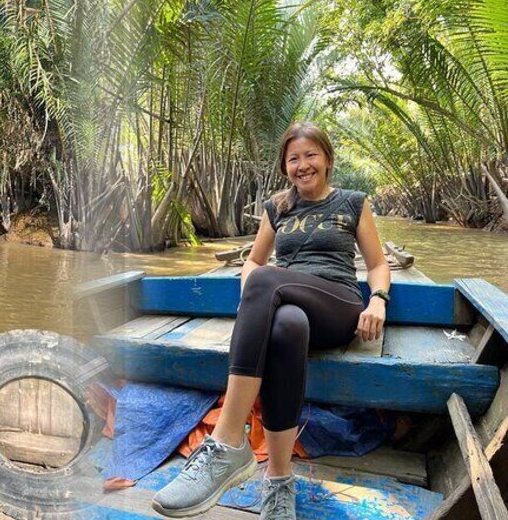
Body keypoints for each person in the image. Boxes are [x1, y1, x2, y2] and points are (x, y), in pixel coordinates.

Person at [151, 122, 391, 519]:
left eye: (310, 155)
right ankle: (279, 483)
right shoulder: (277, 207)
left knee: (265, 283)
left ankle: (227, 441)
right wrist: (255, 294)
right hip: (287, 304)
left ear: (327, 159)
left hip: (337, 303)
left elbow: (378, 264)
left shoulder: (352, 202)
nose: (303, 165)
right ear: (284, 167)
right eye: (293, 159)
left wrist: (378, 301)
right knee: (286, 326)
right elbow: (253, 262)